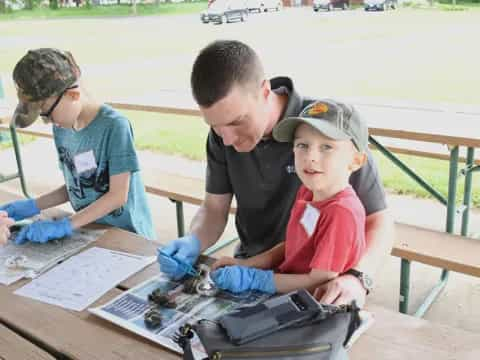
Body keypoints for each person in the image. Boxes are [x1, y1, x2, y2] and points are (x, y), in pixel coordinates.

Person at [158, 40, 394, 306]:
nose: (227, 139)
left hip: (316, 288)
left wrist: (358, 277)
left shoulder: (324, 129)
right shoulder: (222, 135)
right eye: (215, 126)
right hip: (251, 265)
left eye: (237, 121)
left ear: (264, 91)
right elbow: (214, 209)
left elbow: (380, 222)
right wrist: (193, 241)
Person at [210, 99, 368, 294]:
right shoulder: (308, 192)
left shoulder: (341, 213)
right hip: (286, 286)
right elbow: (292, 245)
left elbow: (319, 281)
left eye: (327, 147)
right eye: (302, 145)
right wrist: (248, 265)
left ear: (356, 161)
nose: (311, 157)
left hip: (311, 303)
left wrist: (257, 280)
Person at [0, 48, 155, 244]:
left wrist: (65, 225)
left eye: (46, 113)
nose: (47, 122)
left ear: (73, 95)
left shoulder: (115, 126)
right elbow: (77, 185)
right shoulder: (62, 128)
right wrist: (34, 205)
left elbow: (117, 195)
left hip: (126, 236)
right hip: (88, 230)